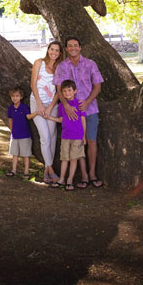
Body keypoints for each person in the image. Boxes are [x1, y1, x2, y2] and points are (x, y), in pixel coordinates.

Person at [50, 35, 104, 187]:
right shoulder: (62, 67)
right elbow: (59, 89)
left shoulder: (90, 64)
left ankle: (92, 173)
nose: (73, 48)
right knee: (77, 142)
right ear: (66, 49)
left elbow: (97, 86)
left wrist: (87, 102)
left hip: (90, 108)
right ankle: (84, 176)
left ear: (80, 47)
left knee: (91, 141)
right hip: (71, 112)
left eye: (76, 45)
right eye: (70, 46)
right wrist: (66, 105)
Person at [30, 40, 64, 185]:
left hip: (52, 105)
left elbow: (58, 90)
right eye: (52, 49)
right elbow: (33, 84)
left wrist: (50, 107)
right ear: (48, 50)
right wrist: (40, 106)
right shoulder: (38, 63)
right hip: (36, 103)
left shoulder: (60, 68)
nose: (54, 52)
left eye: (57, 50)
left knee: (52, 136)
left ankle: (46, 170)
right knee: (44, 136)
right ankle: (50, 170)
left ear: (60, 53)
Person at [46, 79, 88, 190]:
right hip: (65, 136)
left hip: (77, 136)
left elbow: (83, 120)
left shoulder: (79, 104)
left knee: (74, 159)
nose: (67, 93)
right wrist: (50, 117)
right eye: (64, 91)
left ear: (75, 91)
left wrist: (83, 136)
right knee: (64, 158)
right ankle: (62, 179)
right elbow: (61, 120)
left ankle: (70, 180)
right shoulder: (61, 106)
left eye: (69, 90)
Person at [6, 86, 35, 178]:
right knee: (14, 154)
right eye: (13, 96)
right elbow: (10, 119)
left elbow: (28, 117)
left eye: (17, 96)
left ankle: (26, 172)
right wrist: (12, 130)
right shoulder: (10, 108)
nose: (15, 98)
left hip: (25, 135)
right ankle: (13, 170)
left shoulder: (24, 107)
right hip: (14, 135)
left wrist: (37, 112)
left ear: (21, 97)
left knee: (26, 155)